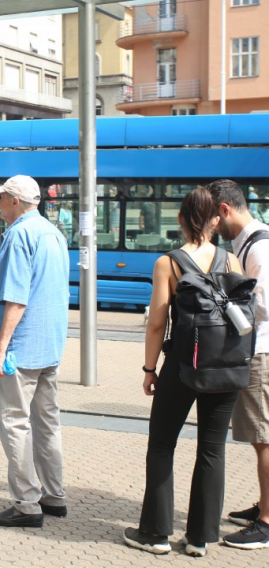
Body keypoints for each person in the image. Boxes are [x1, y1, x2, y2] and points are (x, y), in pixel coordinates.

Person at [123, 187, 242, 557]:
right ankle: (199, 538)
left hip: (182, 365)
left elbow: (157, 324)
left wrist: (149, 369)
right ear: (216, 220)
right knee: (212, 450)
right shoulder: (231, 261)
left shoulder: (168, 263)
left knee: (161, 445)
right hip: (225, 366)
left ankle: (156, 534)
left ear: (179, 219)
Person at [0, 175, 70, 529]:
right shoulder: (53, 233)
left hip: (23, 347)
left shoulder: (19, 234)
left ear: (15, 200)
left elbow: (17, 298)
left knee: (15, 422)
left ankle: (26, 503)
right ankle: (54, 495)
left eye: (1, 198)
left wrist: (0, 348)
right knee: (47, 422)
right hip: (50, 344)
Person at [207, 179, 269, 550]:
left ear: (225, 210)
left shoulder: (259, 248)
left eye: (212, 218)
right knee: (259, 435)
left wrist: (221, 302)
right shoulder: (246, 243)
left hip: (261, 351)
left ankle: (267, 522)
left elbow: (260, 307)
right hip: (255, 350)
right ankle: (265, 504)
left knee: (264, 437)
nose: (211, 226)